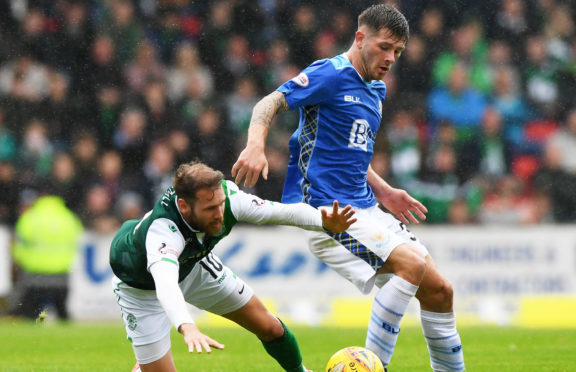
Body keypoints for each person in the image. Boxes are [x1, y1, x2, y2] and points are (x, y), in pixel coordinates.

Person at [232, 4, 465, 371]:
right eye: (385, 47)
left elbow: (351, 153)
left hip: (367, 205)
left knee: (440, 290)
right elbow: (271, 101)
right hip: (327, 211)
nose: (390, 58)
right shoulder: (330, 73)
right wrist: (255, 144)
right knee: (411, 266)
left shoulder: (377, 89)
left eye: (398, 52)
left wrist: (385, 191)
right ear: (360, 38)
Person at [109, 161, 356, 372]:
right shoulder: (163, 231)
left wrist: (322, 221)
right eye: (209, 209)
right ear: (184, 206)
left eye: (220, 204)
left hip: (193, 265)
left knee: (269, 326)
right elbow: (165, 285)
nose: (219, 214)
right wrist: (188, 326)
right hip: (140, 287)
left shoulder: (230, 199)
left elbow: (284, 213)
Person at [10, 190, 84, 320]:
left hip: (35, 274)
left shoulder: (30, 217)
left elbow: (18, 246)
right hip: (61, 273)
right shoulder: (69, 217)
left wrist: (23, 261)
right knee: (62, 313)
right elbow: (78, 241)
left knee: (30, 315)